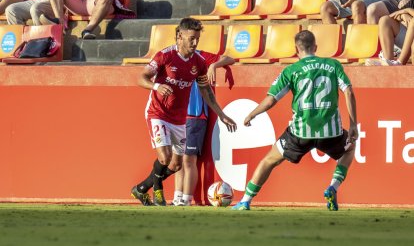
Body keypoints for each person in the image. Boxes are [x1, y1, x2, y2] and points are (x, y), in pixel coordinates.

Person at [232, 30, 358, 211]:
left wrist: (252, 114)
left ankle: (245, 201)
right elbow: (349, 91)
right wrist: (353, 124)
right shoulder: (333, 65)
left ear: (296, 50)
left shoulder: (291, 71)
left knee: (269, 161)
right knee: (350, 148)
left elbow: (271, 100)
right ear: (315, 47)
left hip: (300, 132)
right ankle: (333, 187)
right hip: (330, 132)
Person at [131, 18, 237, 206]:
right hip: (158, 113)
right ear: (180, 37)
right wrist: (156, 86)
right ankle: (158, 191)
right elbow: (141, 78)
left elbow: (206, 90)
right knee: (164, 157)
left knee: (176, 165)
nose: (194, 43)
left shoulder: (199, 61)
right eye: (191, 38)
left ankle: (141, 189)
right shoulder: (165, 56)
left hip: (179, 119)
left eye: (197, 39)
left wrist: (221, 114)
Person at [171, 49, 235, 206]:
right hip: (178, 116)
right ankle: (176, 198)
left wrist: (214, 65)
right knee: (178, 158)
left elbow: (230, 59)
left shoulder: (201, 56)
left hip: (196, 115)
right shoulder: (172, 56)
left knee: (188, 159)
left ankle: (186, 199)